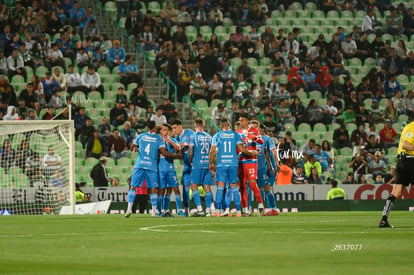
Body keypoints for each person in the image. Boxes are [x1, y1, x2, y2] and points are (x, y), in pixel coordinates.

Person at [125, 121, 182, 218]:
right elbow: (163, 152)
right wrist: (176, 156)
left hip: (140, 165)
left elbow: (132, 147)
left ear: (147, 128)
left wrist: (136, 149)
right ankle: (154, 212)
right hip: (151, 166)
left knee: (133, 186)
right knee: (153, 189)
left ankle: (129, 209)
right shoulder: (158, 138)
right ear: (155, 128)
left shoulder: (141, 136)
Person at [209, 118, 258, 217]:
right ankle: (239, 211)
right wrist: (251, 152)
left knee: (220, 187)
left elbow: (212, 151)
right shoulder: (235, 134)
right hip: (233, 164)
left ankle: (218, 211)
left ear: (220, 126)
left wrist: (210, 164)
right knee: (234, 187)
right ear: (228, 125)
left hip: (222, 164)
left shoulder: (217, 135)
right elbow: (241, 149)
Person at [380, 115, 414, 227]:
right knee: (396, 192)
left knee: (396, 192)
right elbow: (406, 144)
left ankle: (384, 219)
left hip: (402, 161)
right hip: (410, 161)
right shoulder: (412, 127)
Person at [237, 113, 265, 216]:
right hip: (241, 160)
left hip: (252, 160)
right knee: (242, 186)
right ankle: (245, 210)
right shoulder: (238, 133)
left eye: (243, 120)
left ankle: (261, 206)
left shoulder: (254, 130)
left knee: (252, 184)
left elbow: (261, 141)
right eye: (240, 120)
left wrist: (253, 137)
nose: (241, 122)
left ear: (247, 121)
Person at [157, 123, 186, 217]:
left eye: (165, 130)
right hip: (161, 168)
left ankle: (178, 210)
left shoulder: (172, 140)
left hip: (170, 168)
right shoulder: (158, 140)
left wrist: (170, 141)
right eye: (162, 130)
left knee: (175, 189)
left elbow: (179, 149)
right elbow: (164, 153)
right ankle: (160, 211)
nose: (163, 131)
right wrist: (176, 156)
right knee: (161, 190)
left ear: (169, 131)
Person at [171, 119, 194, 215]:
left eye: (175, 128)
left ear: (180, 126)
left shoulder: (189, 132)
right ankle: (186, 209)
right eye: (172, 128)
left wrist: (185, 144)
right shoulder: (176, 139)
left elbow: (195, 143)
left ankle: (210, 208)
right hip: (187, 166)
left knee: (204, 187)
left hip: (195, 165)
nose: (174, 130)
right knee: (185, 188)